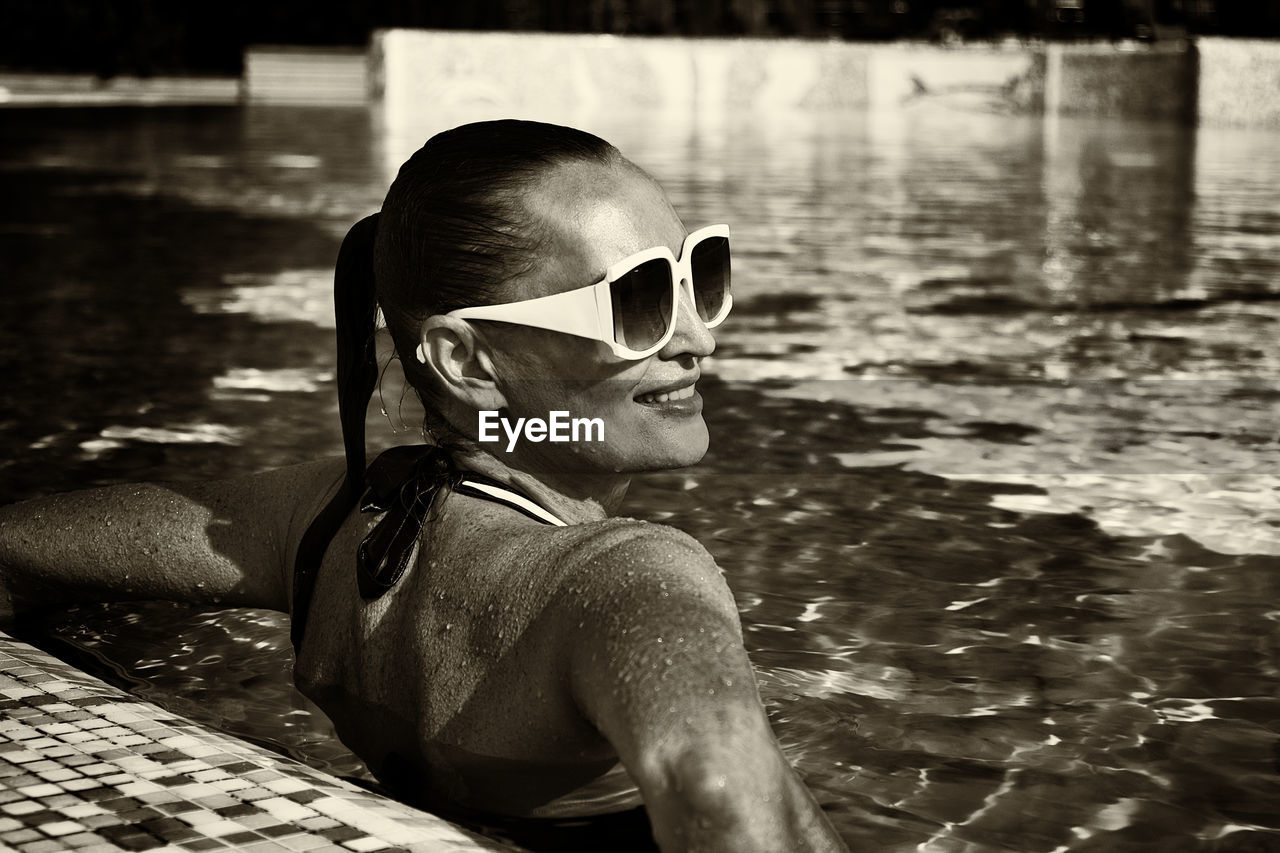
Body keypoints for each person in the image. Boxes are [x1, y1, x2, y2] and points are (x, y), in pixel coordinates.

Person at [0, 120, 847, 852]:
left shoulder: (326, 519)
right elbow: (728, 812)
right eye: (638, 301)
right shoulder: (628, 578)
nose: (698, 335)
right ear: (466, 362)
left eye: (697, 274)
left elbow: (22, 543)